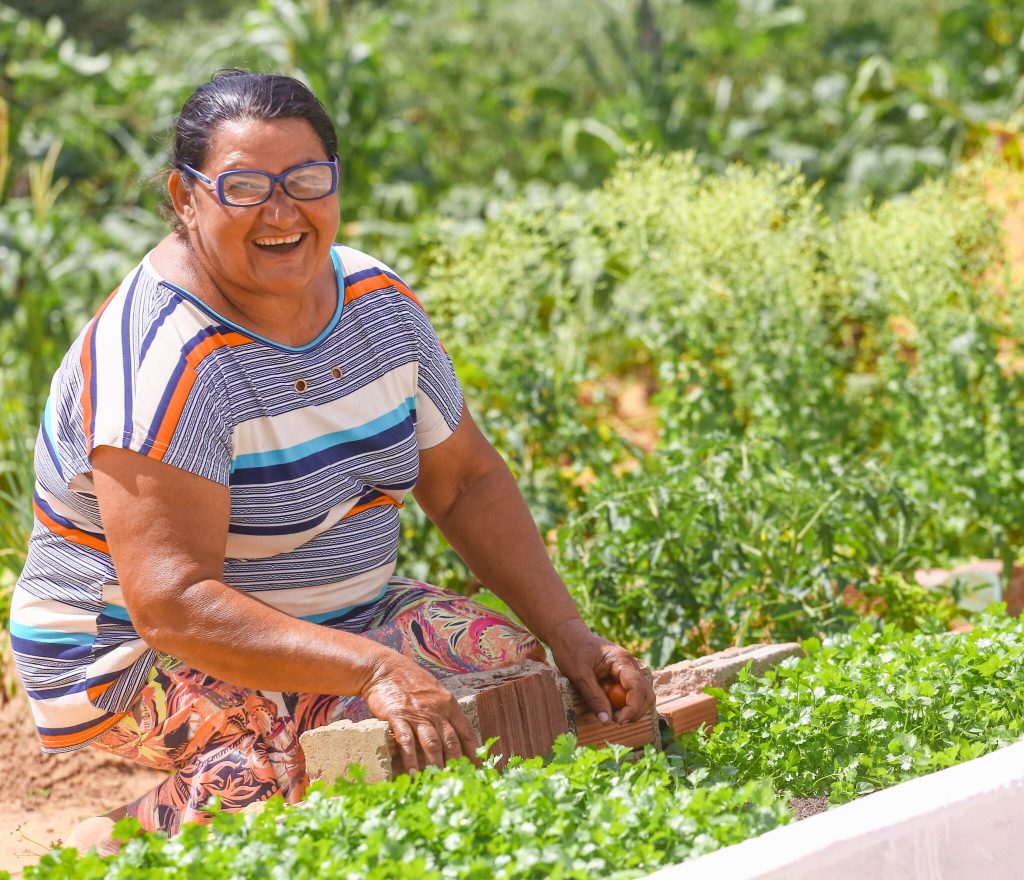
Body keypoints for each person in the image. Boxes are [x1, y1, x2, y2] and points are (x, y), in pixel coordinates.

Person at [10, 70, 655, 853]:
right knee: (315, 755)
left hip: (344, 613)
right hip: (127, 651)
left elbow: (464, 482)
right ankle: (104, 851)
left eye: (305, 179)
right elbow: (172, 603)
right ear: (186, 199)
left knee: (513, 676)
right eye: (243, 187)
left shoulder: (376, 304)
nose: (281, 211)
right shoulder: (167, 360)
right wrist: (369, 674)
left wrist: (571, 637)